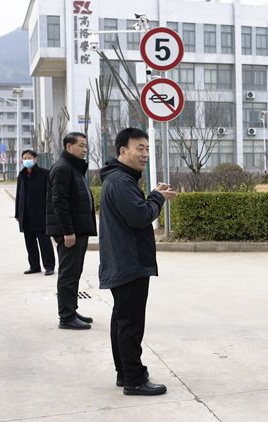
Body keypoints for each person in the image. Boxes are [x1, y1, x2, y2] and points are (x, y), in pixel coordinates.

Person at [98, 128, 177, 396]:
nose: (145, 154)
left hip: (123, 261)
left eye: (147, 149)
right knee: (130, 324)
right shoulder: (121, 181)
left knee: (122, 320)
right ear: (123, 151)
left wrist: (154, 195)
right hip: (128, 262)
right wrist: (158, 197)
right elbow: (140, 216)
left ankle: (125, 373)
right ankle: (134, 379)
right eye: (139, 148)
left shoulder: (120, 179)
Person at [46, 132, 97, 330]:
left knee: (74, 272)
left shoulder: (73, 167)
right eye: (81, 145)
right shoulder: (62, 168)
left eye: (85, 145)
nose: (85, 149)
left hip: (78, 229)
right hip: (70, 232)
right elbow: (59, 202)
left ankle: (71, 310)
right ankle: (66, 317)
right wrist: (67, 231)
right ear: (68, 147)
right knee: (68, 273)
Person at [15, 149, 55, 276]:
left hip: (40, 214)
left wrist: (50, 212)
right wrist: (18, 213)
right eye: (24, 158)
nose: (27, 160)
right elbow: (19, 195)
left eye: (29, 158)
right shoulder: (21, 175)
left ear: (35, 159)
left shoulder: (44, 174)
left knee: (44, 242)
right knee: (30, 242)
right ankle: (34, 266)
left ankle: (49, 266)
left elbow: (50, 195)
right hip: (26, 215)